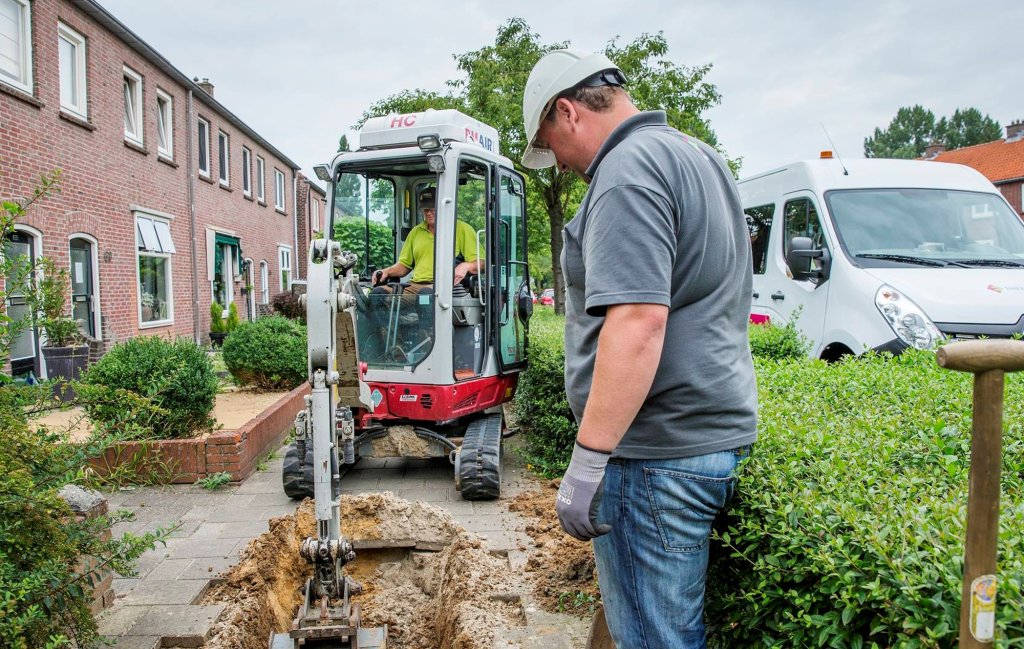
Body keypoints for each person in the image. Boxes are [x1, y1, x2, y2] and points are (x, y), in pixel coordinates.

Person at [521, 50, 758, 648]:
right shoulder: (700, 157)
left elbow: (638, 323)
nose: (560, 164)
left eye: (550, 145)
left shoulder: (625, 172)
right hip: (706, 438)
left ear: (568, 112)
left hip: (653, 458)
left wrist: (588, 460)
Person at [372, 186, 480, 296]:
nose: (428, 213)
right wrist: (386, 271)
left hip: (447, 287)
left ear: (443, 206)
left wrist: (466, 266)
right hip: (415, 286)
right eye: (425, 209)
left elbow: (482, 263)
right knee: (379, 294)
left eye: (432, 209)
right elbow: (404, 265)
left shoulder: (462, 229)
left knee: (425, 297)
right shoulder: (416, 232)